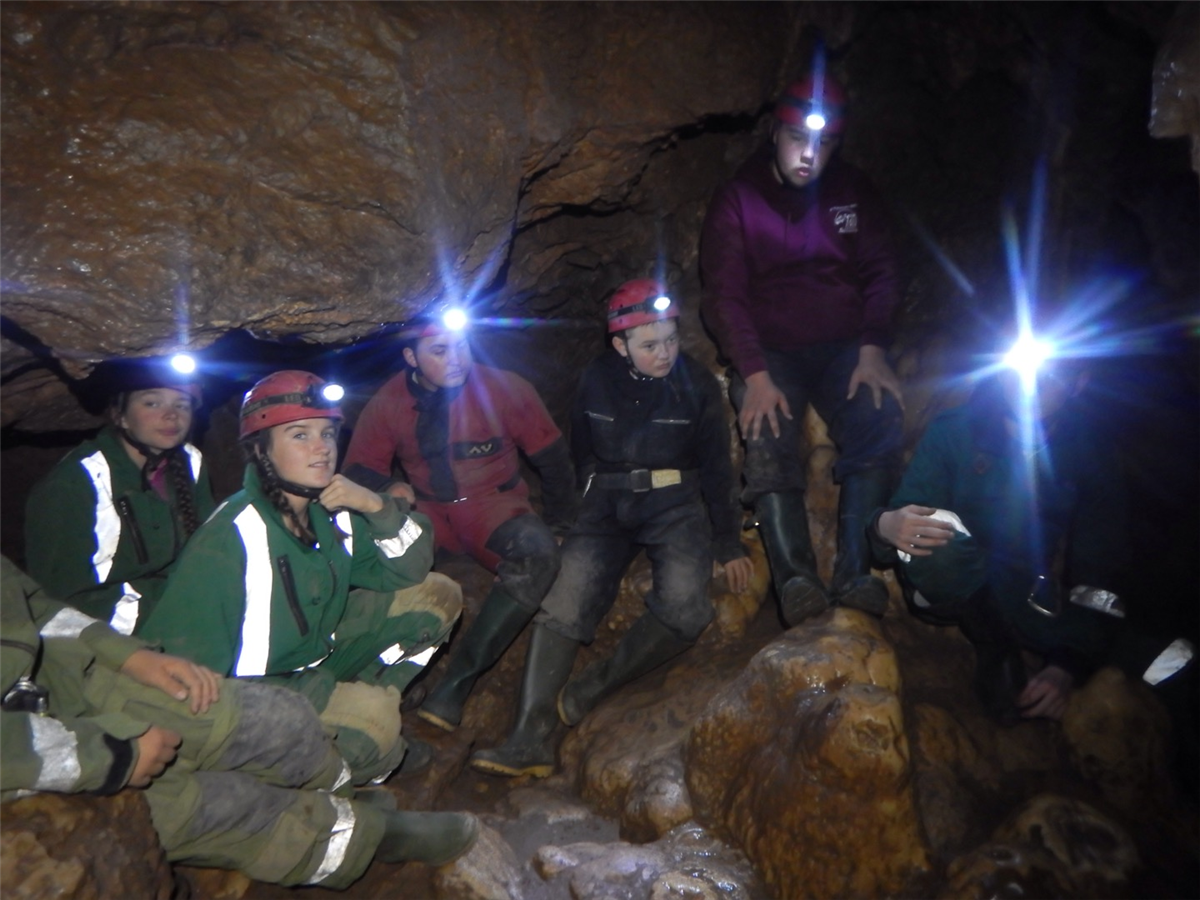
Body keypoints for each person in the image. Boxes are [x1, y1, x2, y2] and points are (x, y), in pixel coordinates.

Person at [0, 554, 479, 888]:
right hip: (29, 757)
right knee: (224, 806)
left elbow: (37, 608)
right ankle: (373, 839)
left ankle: (341, 790)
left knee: (278, 721)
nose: (320, 449)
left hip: (70, 676)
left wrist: (127, 655)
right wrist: (108, 755)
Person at [469, 279, 754, 778]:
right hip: (605, 500)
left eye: (670, 339)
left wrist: (727, 542)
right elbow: (580, 451)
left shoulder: (697, 383)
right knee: (565, 597)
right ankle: (528, 739)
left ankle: (594, 686)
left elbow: (716, 468)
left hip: (674, 500)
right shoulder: (597, 377)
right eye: (650, 345)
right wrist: (569, 517)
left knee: (686, 606)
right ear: (620, 345)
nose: (664, 353)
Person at [140, 371, 463, 785]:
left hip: (318, 663)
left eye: (327, 434)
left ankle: (361, 708)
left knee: (437, 595)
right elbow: (182, 669)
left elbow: (410, 569)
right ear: (262, 451)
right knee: (375, 727)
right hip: (261, 692)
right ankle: (334, 765)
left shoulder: (331, 511)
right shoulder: (230, 539)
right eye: (299, 435)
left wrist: (376, 506)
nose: (321, 447)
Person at [870, 339, 1193, 721]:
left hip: (1027, 592)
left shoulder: (1089, 452)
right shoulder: (956, 430)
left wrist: (1066, 664)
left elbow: (1099, 568)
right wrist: (884, 525)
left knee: (1172, 660)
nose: (1032, 387)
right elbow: (906, 513)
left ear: (1078, 383)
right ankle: (996, 645)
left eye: (1052, 375)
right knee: (934, 534)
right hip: (951, 579)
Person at [700, 72, 904, 625]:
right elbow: (723, 294)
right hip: (774, 353)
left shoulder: (853, 192)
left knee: (878, 413)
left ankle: (856, 572)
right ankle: (795, 578)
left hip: (845, 347)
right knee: (766, 430)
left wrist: (873, 346)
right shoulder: (739, 199)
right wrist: (754, 373)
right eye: (798, 139)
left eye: (825, 143)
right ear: (774, 132)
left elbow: (883, 271)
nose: (810, 155)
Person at [341, 308, 575, 733]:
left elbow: (554, 460)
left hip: (494, 507)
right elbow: (358, 472)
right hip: (430, 513)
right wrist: (390, 486)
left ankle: (455, 684)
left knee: (538, 556)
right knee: (372, 567)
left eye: (462, 346)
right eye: (439, 351)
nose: (456, 359)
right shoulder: (389, 402)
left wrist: (560, 527)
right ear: (411, 357)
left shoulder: (503, 388)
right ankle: (379, 682)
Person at [25, 355, 216, 634]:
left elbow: (207, 553)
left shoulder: (189, 463)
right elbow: (60, 600)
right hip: (104, 631)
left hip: (175, 608)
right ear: (121, 416)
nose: (171, 415)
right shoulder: (73, 484)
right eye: (152, 403)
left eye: (182, 404)